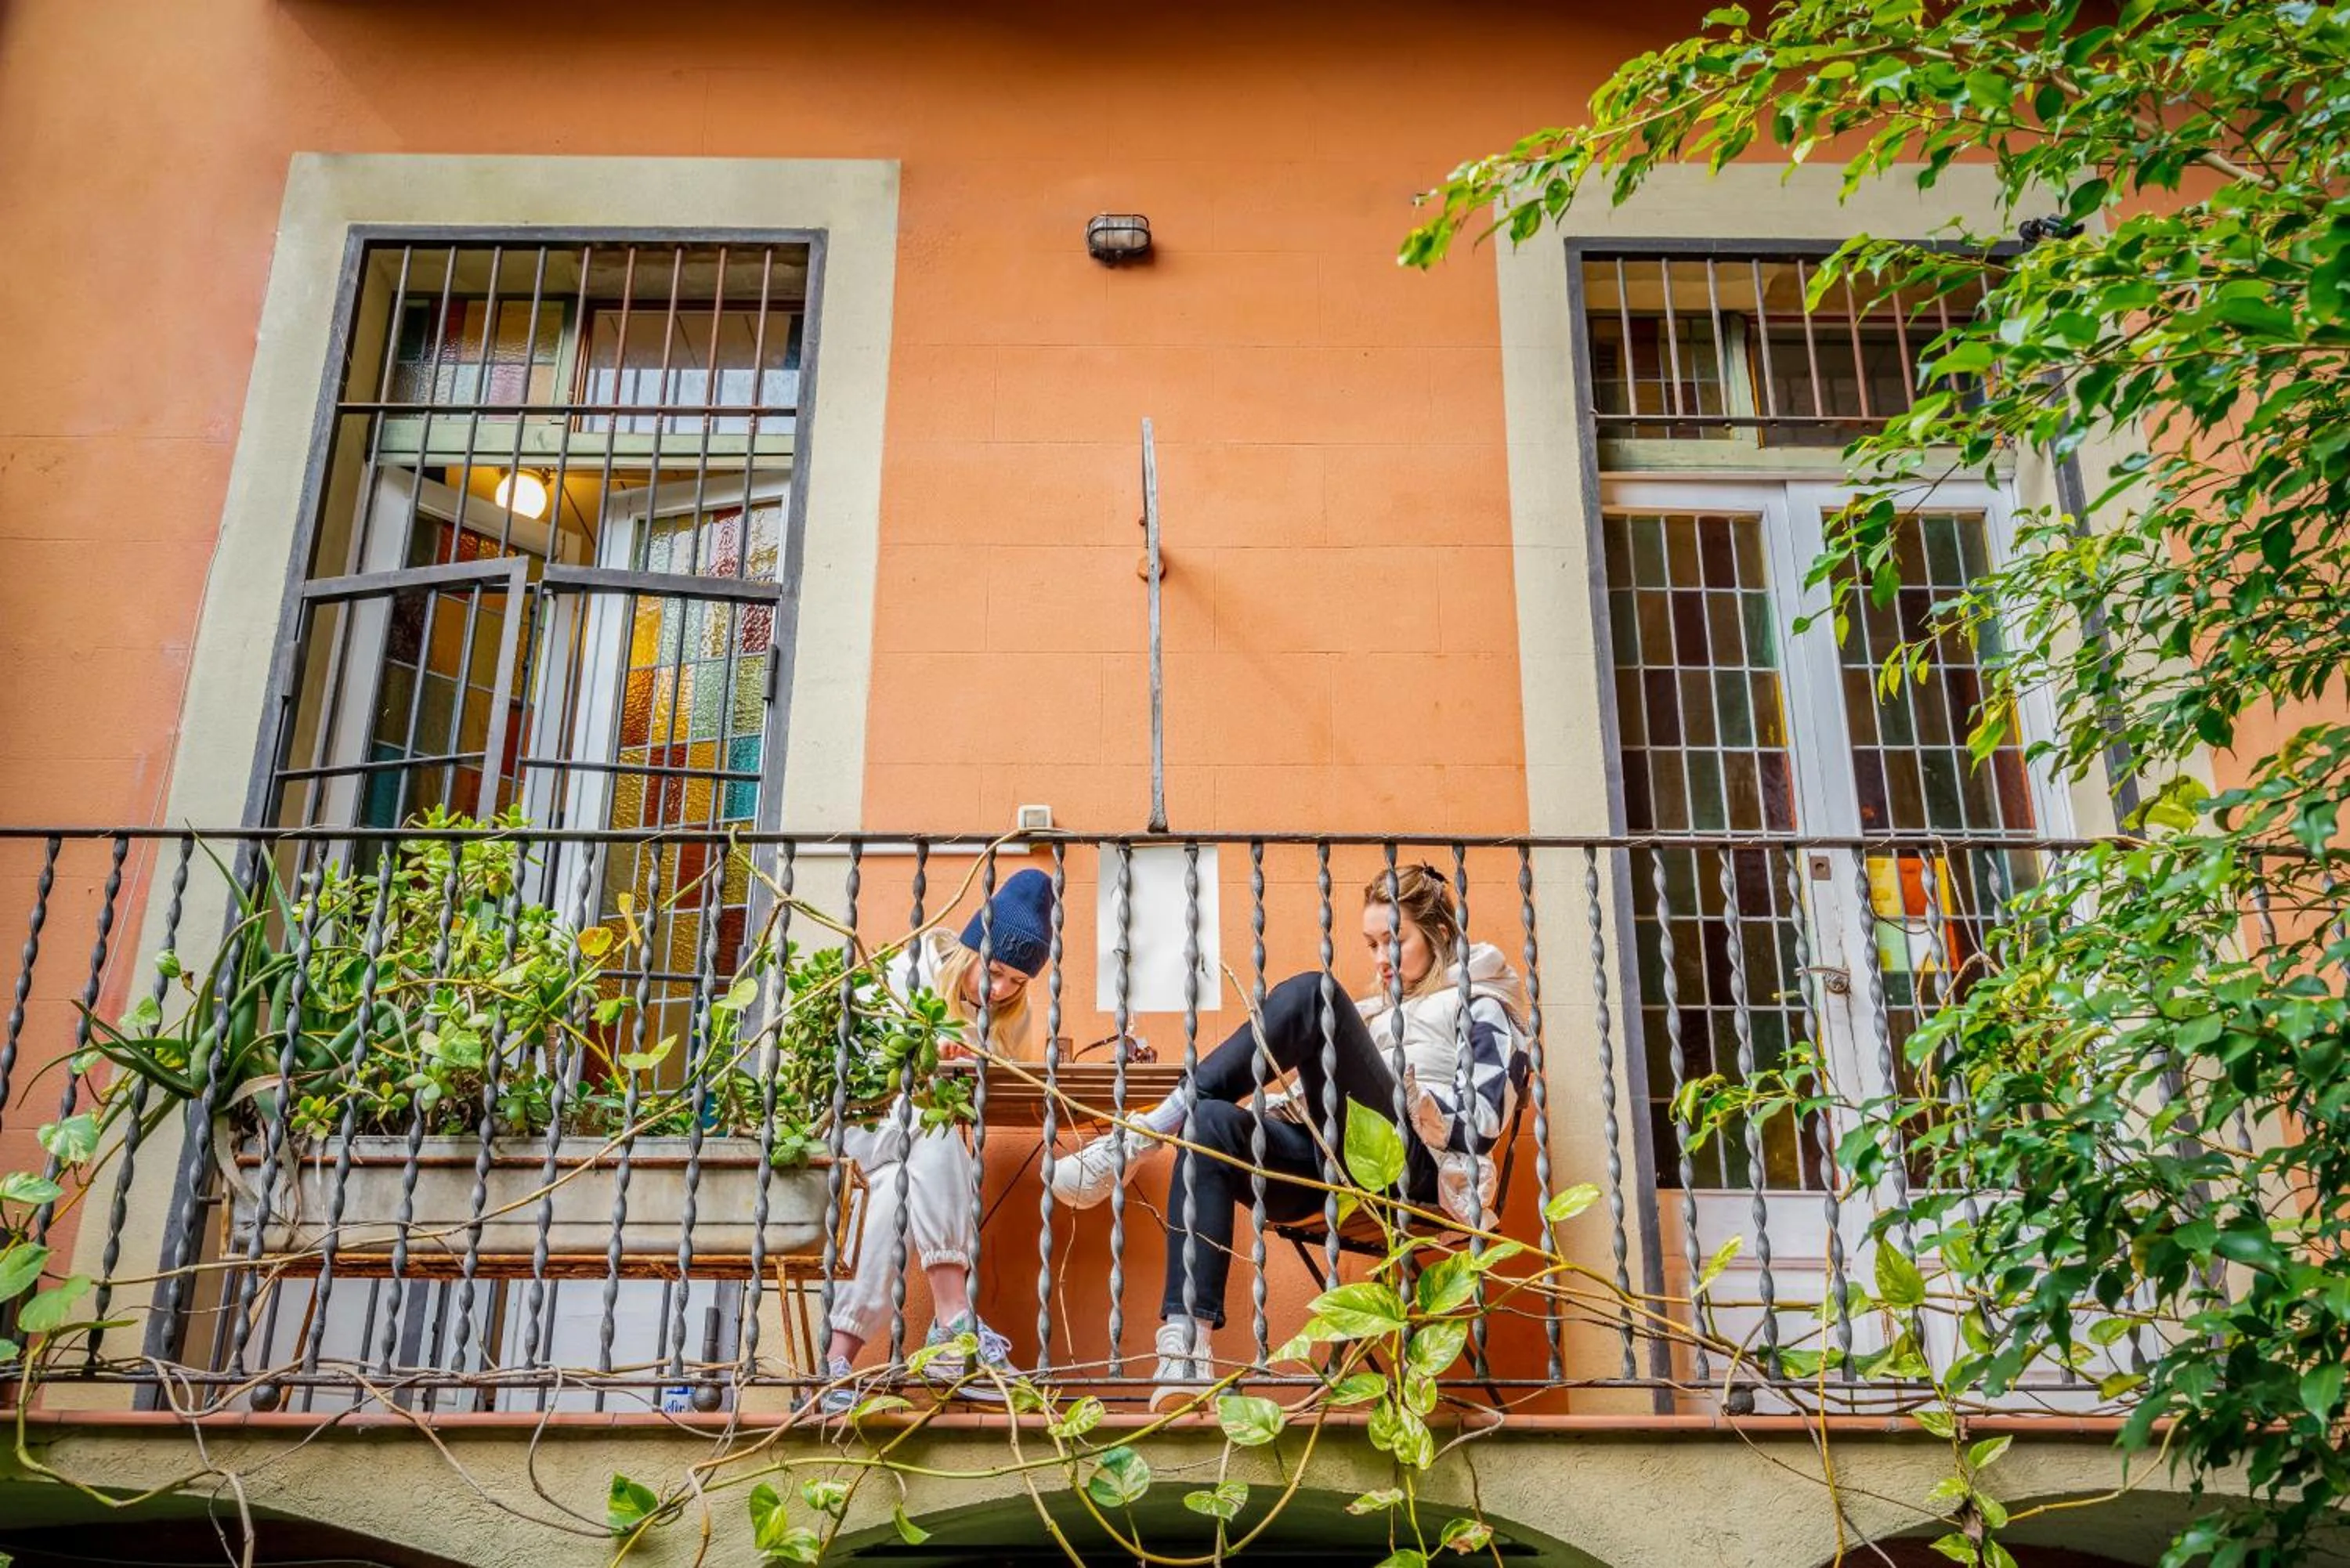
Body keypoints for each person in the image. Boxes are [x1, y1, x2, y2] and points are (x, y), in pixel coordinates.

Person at [1050, 864, 1527, 1410]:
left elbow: (1484, 1121)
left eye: (1394, 941)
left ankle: (1149, 1129)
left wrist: (1412, 1097)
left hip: (1412, 1166)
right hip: (1335, 1166)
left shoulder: (1482, 1005)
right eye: (1371, 944)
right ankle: (1187, 1347)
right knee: (1210, 1124)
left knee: (1313, 996)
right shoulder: (1375, 1017)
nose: (1380, 960)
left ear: (1439, 934)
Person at [817, 868, 1053, 1416]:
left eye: (1017, 982)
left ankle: (834, 1362)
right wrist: (928, 1063)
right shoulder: (909, 975)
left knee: (898, 1193)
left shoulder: (1002, 1015)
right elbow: (861, 1071)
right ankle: (953, 1321)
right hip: (857, 1124)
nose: (1000, 991)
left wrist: (970, 1071)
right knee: (934, 1122)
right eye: (994, 972)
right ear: (970, 951)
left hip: (904, 1147)